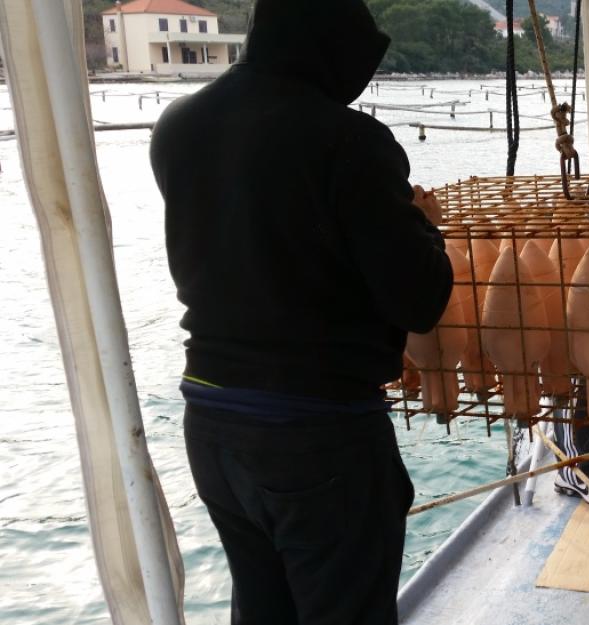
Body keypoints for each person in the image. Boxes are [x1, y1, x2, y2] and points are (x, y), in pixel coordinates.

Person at [150, 0, 453, 623]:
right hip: (318, 433)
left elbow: (257, 244)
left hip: (211, 419)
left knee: (263, 608)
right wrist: (426, 230)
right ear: (331, 46)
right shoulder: (350, 141)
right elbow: (418, 301)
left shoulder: (178, 125)